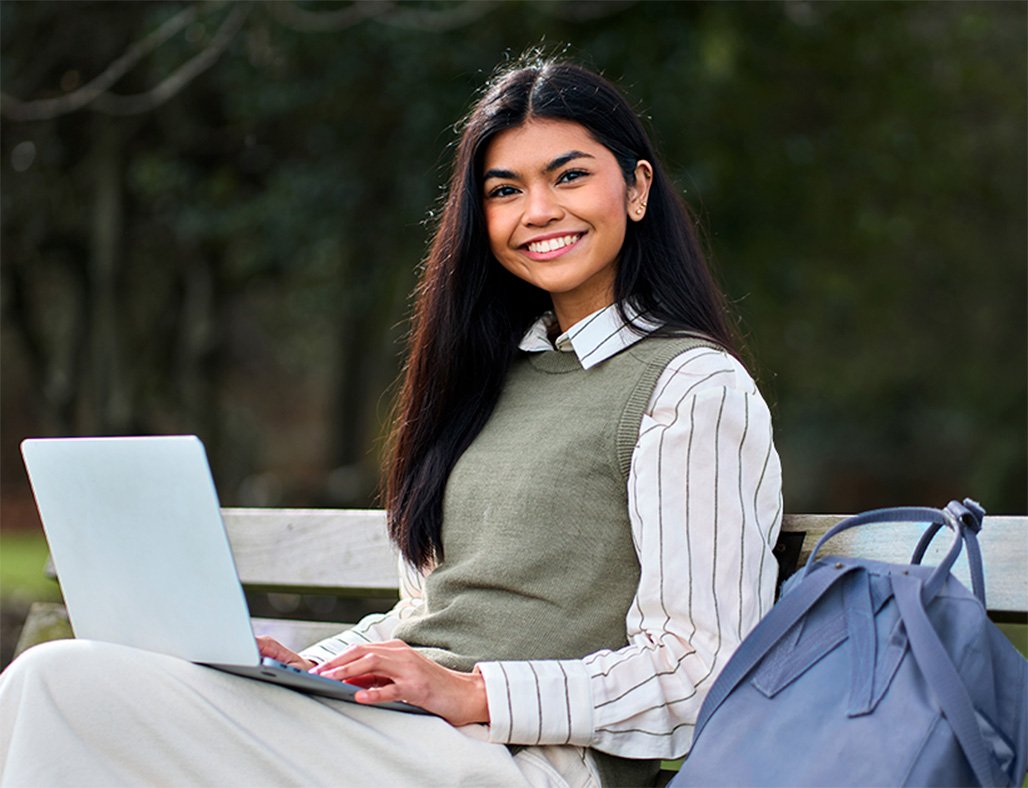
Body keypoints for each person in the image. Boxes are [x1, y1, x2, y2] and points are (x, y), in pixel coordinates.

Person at [0, 57, 782, 787]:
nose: (539, 211)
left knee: (59, 683)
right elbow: (426, 618)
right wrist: (310, 667)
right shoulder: (487, 381)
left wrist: (475, 693)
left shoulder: (691, 386)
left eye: (569, 176)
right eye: (504, 190)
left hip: (522, 764)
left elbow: (700, 667)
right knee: (71, 687)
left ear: (637, 189)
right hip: (397, 737)